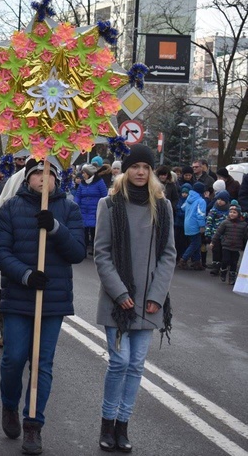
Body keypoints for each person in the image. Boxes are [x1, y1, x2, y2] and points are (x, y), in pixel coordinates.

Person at [0, 158, 85, 455]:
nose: (44, 179)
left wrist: (56, 228)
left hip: (52, 301)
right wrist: (27, 274)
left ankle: (33, 425)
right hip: (19, 298)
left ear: (57, 179)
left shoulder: (68, 209)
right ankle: (9, 405)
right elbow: (0, 253)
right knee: (13, 359)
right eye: (38, 174)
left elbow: (77, 253)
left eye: (50, 174)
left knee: (42, 363)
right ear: (27, 178)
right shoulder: (11, 208)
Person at [94, 144, 176, 453]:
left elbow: (169, 254)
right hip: (118, 303)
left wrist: (157, 295)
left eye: (146, 167)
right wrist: (120, 293)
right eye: (135, 167)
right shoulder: (109, 204)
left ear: (152, 172)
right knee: (120, 362)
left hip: (150, 301)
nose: (140, 172)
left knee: (137, 364)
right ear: (126, 170)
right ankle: (107, 422)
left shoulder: (162, 207)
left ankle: (122, 427)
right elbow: (101, 254)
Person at [74, 162, 108, 255]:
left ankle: (95, 250)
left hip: (96, 211)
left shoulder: (99, 182)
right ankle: (83, 251)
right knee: (84, 232)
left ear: (89, 173)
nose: (82, 175)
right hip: (84, 210)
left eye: (84, 173)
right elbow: (78, 196)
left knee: (94, 232)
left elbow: (105, 195)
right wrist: (75, 205)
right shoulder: (82, 184)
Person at [211, 202, 248, 284]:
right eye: (230, 212)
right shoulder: (225, 222)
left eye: (234, 212)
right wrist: (213, 242)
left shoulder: (243, 225)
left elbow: (245, 236)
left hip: (236, 247)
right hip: (226, 246)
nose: (232, 214)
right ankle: (223, 271)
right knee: (225, 260)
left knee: (234, 263)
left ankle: (232, 277)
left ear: (239, 214)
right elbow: (218, 233)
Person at [178, 181, 206, 270]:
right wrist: (202, 226)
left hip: (187, 224)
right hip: (195, 225)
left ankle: (196, 262)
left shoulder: (189, 197)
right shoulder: (201, 201)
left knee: (196, 243)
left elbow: (183, 207)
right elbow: (200, 214)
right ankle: (183, 260)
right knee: (195, 243)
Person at [205, 191, 230, 276]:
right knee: (216, 251)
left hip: (225, 236)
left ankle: (223, 266)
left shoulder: (229, 211)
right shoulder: (214, 209)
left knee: (223, 251)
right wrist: (208, 232)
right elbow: (209, 221)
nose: (219, 201)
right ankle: (215, 266)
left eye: (222, 200)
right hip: (215, 234)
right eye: (218, 199)